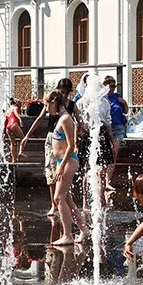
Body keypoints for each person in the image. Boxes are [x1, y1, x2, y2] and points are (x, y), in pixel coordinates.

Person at [20, 78, 78, 215]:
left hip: (63, 142)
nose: (63, 95)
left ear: (69, 93)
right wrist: (27, 135)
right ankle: (55, 204)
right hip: (52, 138)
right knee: (51, 173)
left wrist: (76, 142)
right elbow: (40, 118)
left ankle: (62, 207)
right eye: (61, 92)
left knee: (61, 177)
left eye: (65, 93)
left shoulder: (69, 109)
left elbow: (76, 125)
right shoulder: (52, 104)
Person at [48, 90, 85, 245]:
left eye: (47, 104)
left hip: (68, 161)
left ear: (55, 101)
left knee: (58, 198)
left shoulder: (65, 119)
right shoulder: (61, 118)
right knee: (67, 200)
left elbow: (71, 146)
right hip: (62, 161)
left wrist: (61, 166)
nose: (46, 108)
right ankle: (84, 230)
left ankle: (68, 235)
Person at [103, 76, 129, 182]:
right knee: (105, 154)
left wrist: (124, 103)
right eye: (111, 86)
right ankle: (102, 179)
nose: (113, 88)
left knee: (113, 154)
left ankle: (107, 180)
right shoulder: (102, 98)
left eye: (115, 86)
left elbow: (125, 111)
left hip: (118, 127)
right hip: (106, 128)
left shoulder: (117, 96)